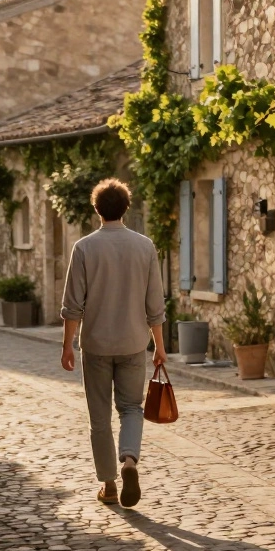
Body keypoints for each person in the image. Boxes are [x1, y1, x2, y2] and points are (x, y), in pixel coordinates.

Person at [60, 178, 166, 508]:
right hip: (134, 343)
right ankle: (130, 461)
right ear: (126, 208)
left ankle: (108, 484)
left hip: (96, 346)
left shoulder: (84, 248)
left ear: (96, 209)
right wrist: (159, 347)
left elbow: (73, 305)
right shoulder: (145, 246)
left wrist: (67, 345)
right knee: (132, 408)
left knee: (99, 416)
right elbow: (155, 305)